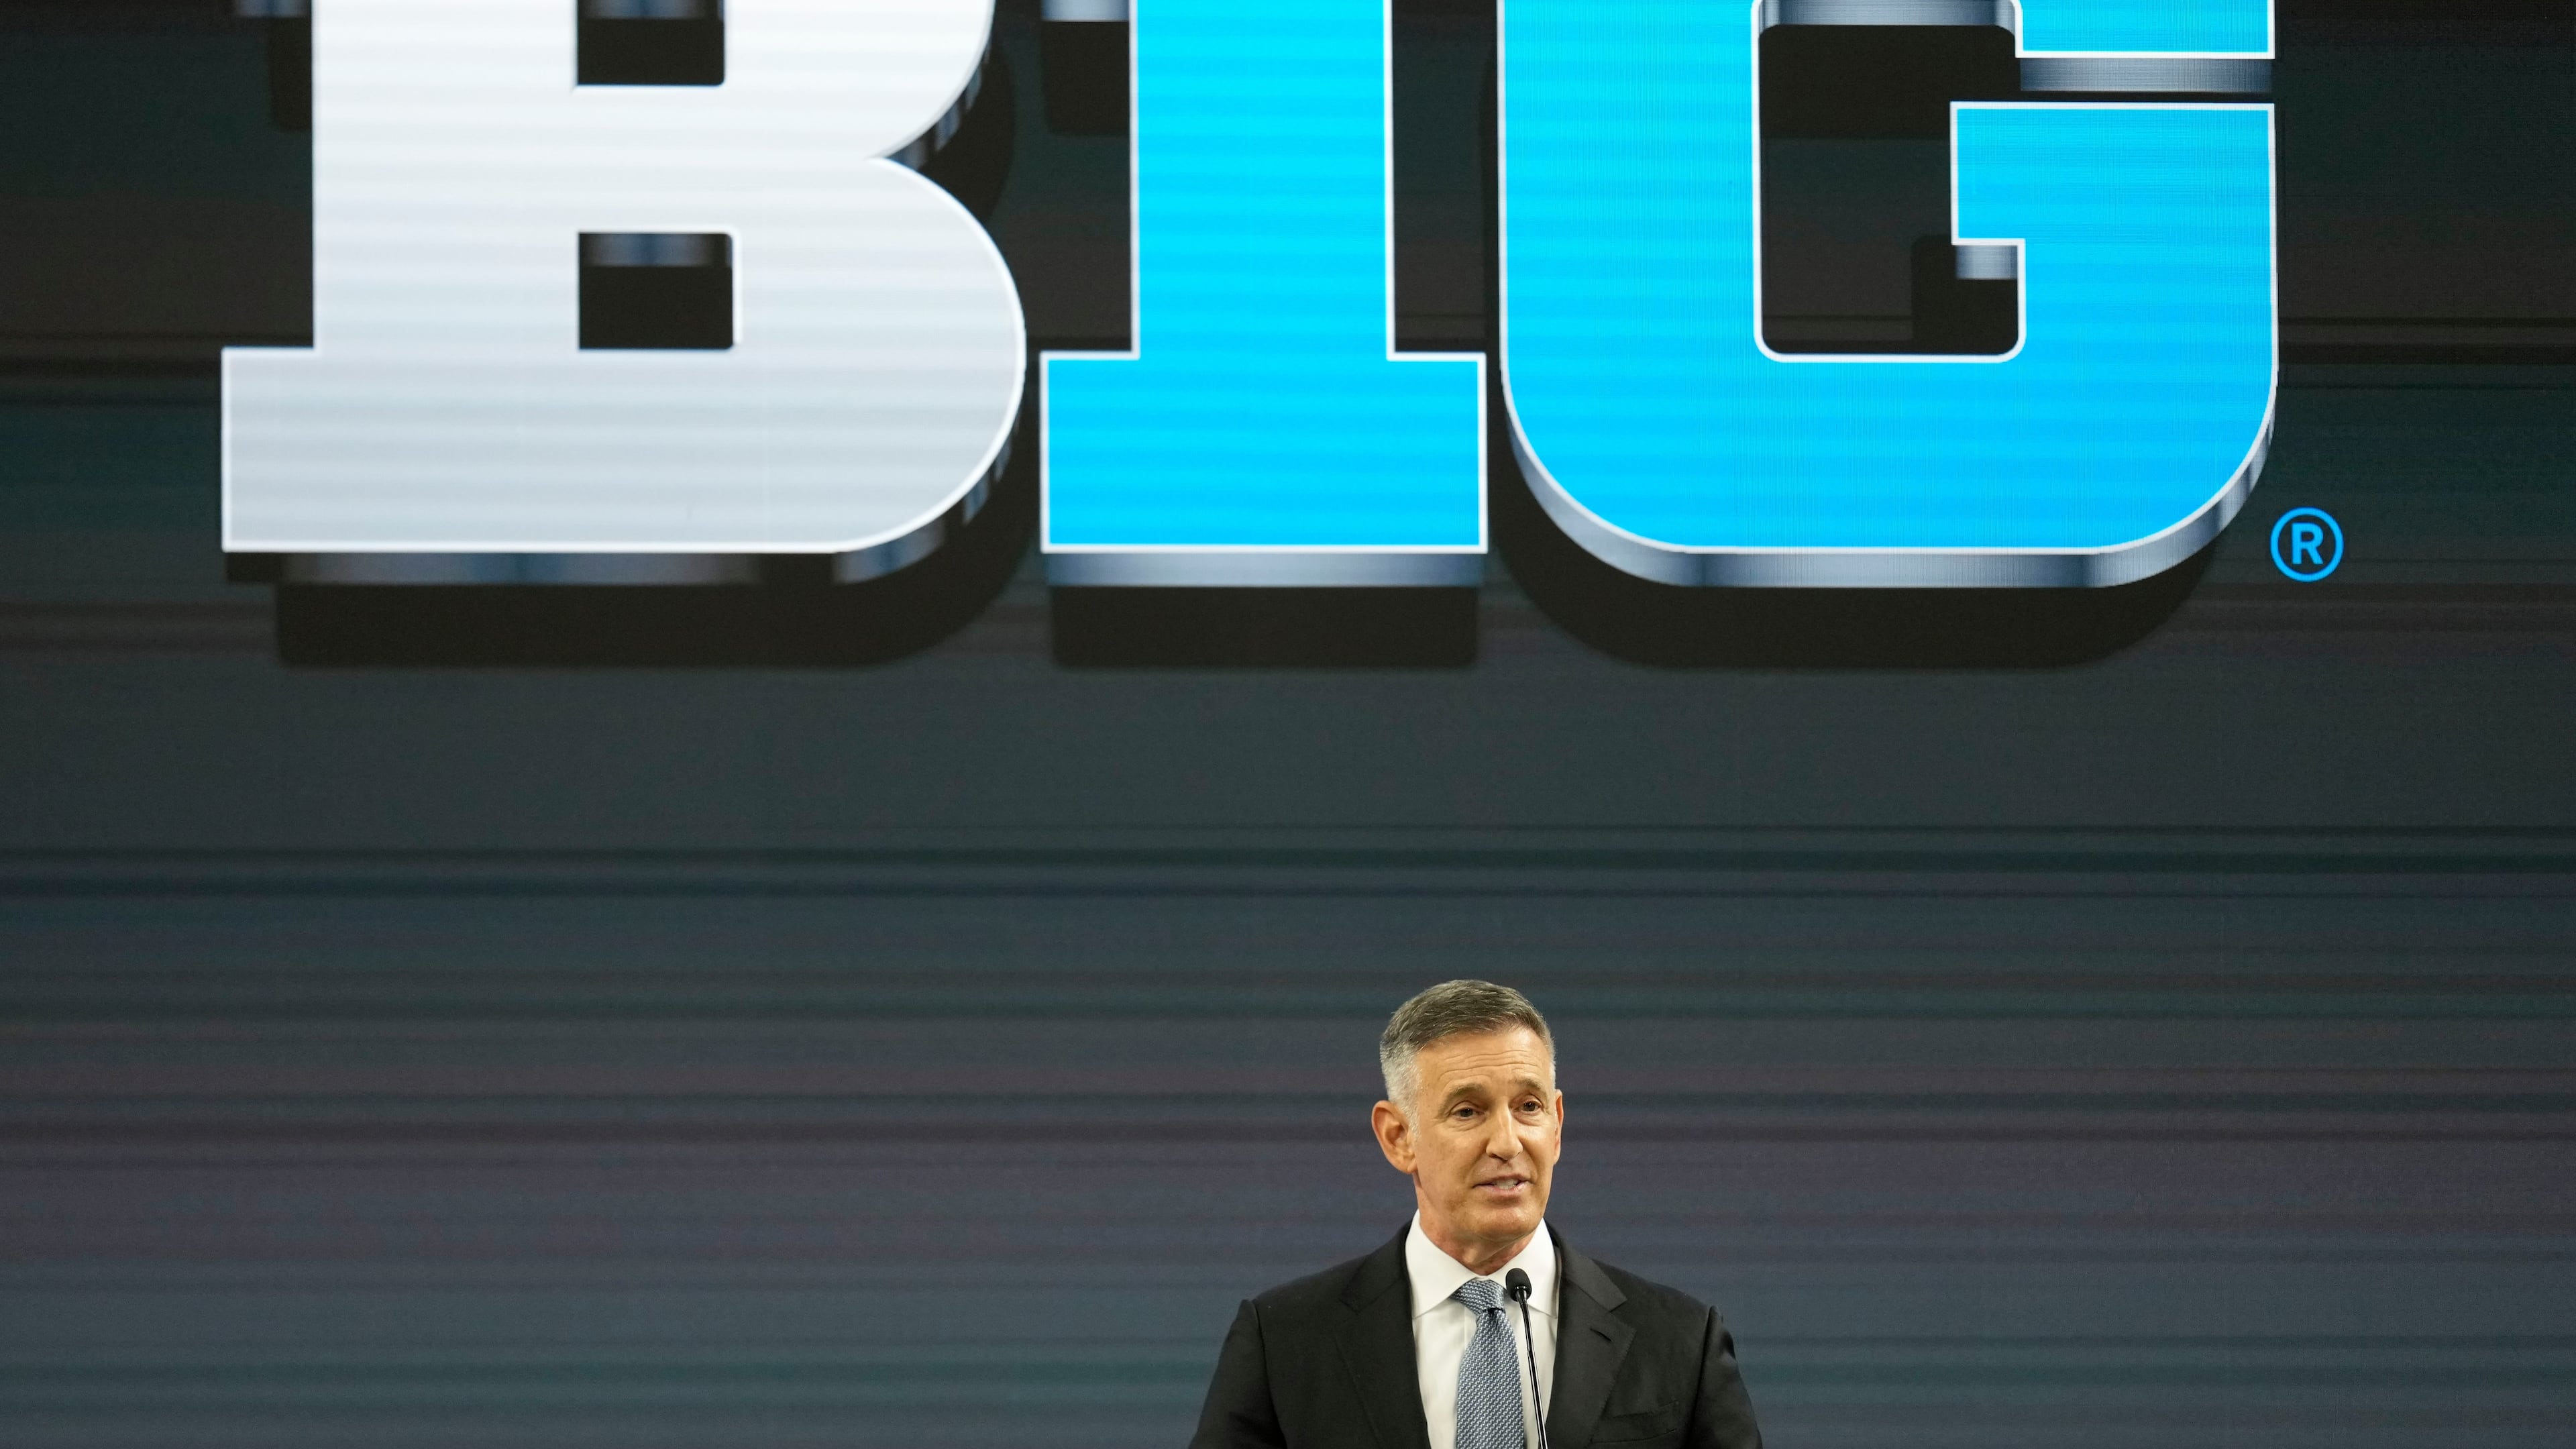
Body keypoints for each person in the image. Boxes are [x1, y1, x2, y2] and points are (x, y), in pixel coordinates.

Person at [1189, 980, 1763, 1449]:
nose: (1508, 1142)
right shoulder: (1285, 1340)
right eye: (1468, 1111)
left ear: (1558, 1124)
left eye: (1529, 1106)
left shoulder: (1681, 1341)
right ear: (1398, 1137)